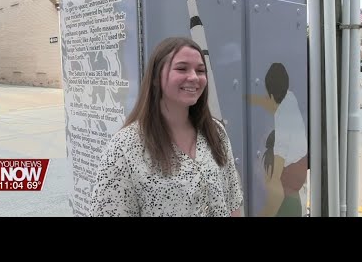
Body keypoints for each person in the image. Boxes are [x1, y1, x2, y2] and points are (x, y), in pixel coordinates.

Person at [90, 36, 243, 217]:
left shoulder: (216, 133)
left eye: (200, 70)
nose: (194, 77)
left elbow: (233, 201)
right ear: (155, 77)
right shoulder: (124, 148)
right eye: (181, 68)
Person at [248, 62, 308, 217]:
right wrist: (251, 99)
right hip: (295, 196)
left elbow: (276, 190)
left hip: (285, 198)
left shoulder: (281, 133)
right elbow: (271, 104)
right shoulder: (290, 97)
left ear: (272, 95)